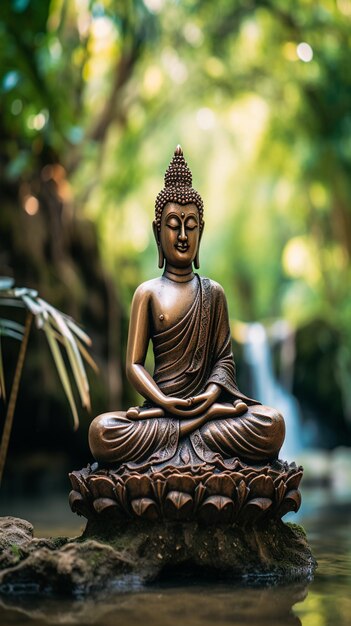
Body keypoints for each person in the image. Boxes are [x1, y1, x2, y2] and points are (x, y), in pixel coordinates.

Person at [89, 146, 285, 469]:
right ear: (157, 231)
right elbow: (134, 365)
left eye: (190, 225)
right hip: (163, 412)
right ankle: (189, 431)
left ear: (201, 232)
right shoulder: (147, 294)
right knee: (101, 432)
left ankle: (187, 433)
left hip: (206, 414)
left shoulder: (213, 293)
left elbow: (223, 361)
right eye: (173, 224)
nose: (182, 235)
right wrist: (164, 401)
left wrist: (209, 398)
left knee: (272, 424)